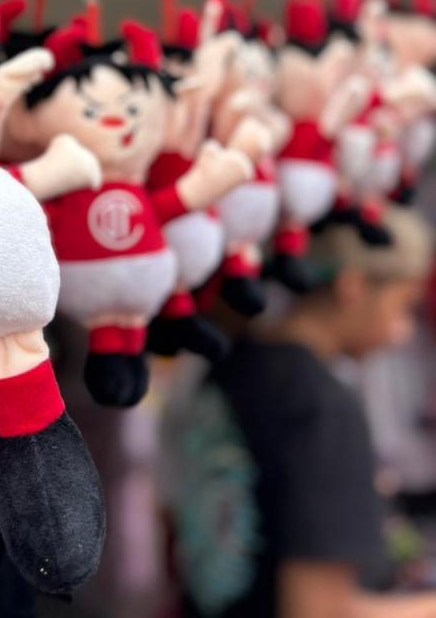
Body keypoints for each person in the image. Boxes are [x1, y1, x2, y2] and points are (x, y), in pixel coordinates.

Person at [161, 204, 436, 618]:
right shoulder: (323, 408)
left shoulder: (232, 365)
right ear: (354, 287)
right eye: (402, 305)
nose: (403, 331)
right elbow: (319, 610)